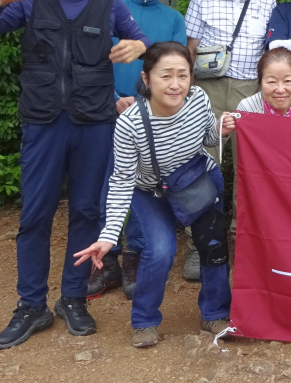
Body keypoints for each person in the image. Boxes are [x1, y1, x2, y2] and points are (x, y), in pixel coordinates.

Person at [0, 0, 150, 349]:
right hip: (43, 123)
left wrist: (139, 48)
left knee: (86, 211)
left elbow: (144, 42)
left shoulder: (108, 5)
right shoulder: (30, 2)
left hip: (93, 125)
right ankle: (31, 306)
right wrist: (0, 0)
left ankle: (72, 298)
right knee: (35, 215)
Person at [74, 42, 234, 348]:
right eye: (166, 76)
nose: (176, 85)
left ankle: (215, 313)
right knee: (160, 250)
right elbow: (121, 181)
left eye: (183, 75)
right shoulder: (129, 123)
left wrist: (220, 128)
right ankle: (144, 320)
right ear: (146, 79)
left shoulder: (198, 98)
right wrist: (108, 236)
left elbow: (207, 139)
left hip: (198, 179)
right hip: (150, 191)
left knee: (213, 246)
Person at [88, 0, 187, 301]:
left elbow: (175, 69)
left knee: (146, 185)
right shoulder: (108, 8)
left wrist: (148, 104)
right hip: (106, 109)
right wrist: (114, 100)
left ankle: (135, 256)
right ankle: (107, 258)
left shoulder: (173, 19)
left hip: (151, 115)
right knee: (107, 183)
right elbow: (92, 60)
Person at [183, 0, 276, 276]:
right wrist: (187, 91)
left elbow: (270, 50)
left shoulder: (267, 0)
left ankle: (243, 241)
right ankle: (200, 245)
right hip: (206, 88)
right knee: (203, 164)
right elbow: (190, 48)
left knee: (246, 167)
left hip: (250, 89)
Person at [231, 47, 291, 120]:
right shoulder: (247, 108)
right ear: (260, 82)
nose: (280, 90)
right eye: (272, 82)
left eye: (288, 81)